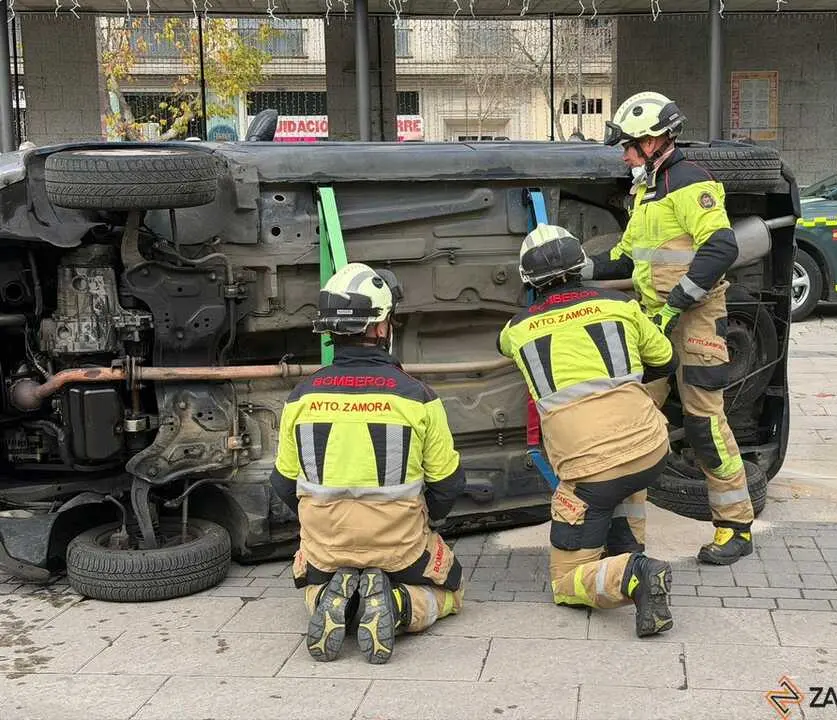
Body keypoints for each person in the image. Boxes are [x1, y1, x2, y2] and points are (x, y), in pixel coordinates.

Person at [582, 90, 754, 565]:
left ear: (655, 140)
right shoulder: (646, 192)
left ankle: (736, 526)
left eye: (629, 144)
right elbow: (625, 255)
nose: (623, 153)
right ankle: (628, 540)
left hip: (696, 317)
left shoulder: (688, 182)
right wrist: (579, 268)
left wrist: (678, 303)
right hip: (655, 316)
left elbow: (720, 248)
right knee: (634, 422)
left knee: (703, 423)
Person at [270, 262, 467, 665]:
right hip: (398, 546)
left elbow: (281, 484)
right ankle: (395, 605)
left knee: (311, 585)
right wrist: (427, 521)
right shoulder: (418, 396)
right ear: (380, 328)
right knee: (453, 592)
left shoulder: (300, 397)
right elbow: (448, 484)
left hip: (327, 546)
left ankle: (330, 597)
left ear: (329, 331)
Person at [497, 224, 678, 637]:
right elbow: (665, 360)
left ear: (528, 281)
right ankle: (627, 549)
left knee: (565, 582)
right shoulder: (622, 307)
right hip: (651, 449)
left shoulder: (518, 330)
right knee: (622, 476)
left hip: (590, 470)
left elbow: (501, 344)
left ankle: (633, 573)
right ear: (581, 265)